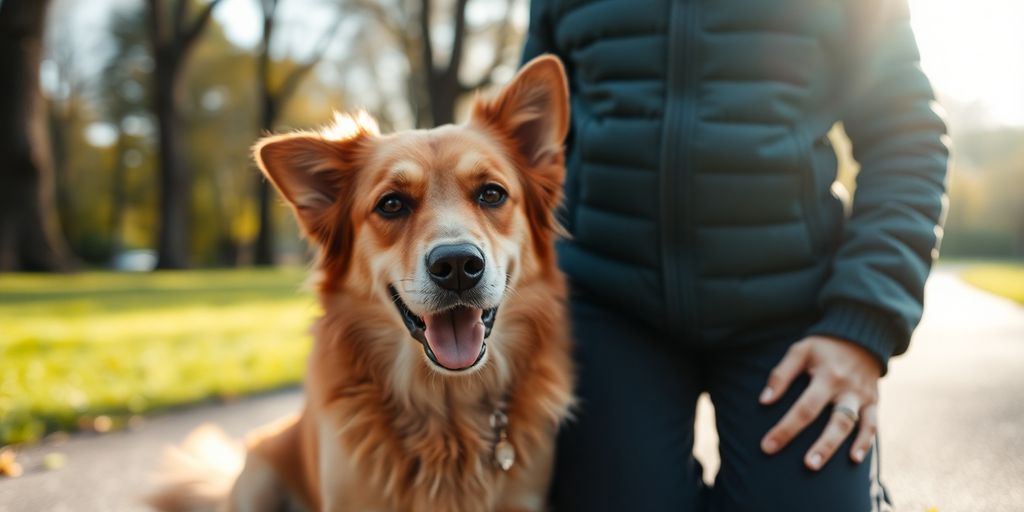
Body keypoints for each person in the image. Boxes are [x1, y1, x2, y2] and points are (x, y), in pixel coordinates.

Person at [520, 0, 948, 510]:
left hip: (795, 312)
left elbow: (906, 138)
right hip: (604, 303)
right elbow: (531, 141)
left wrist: (862, 326)